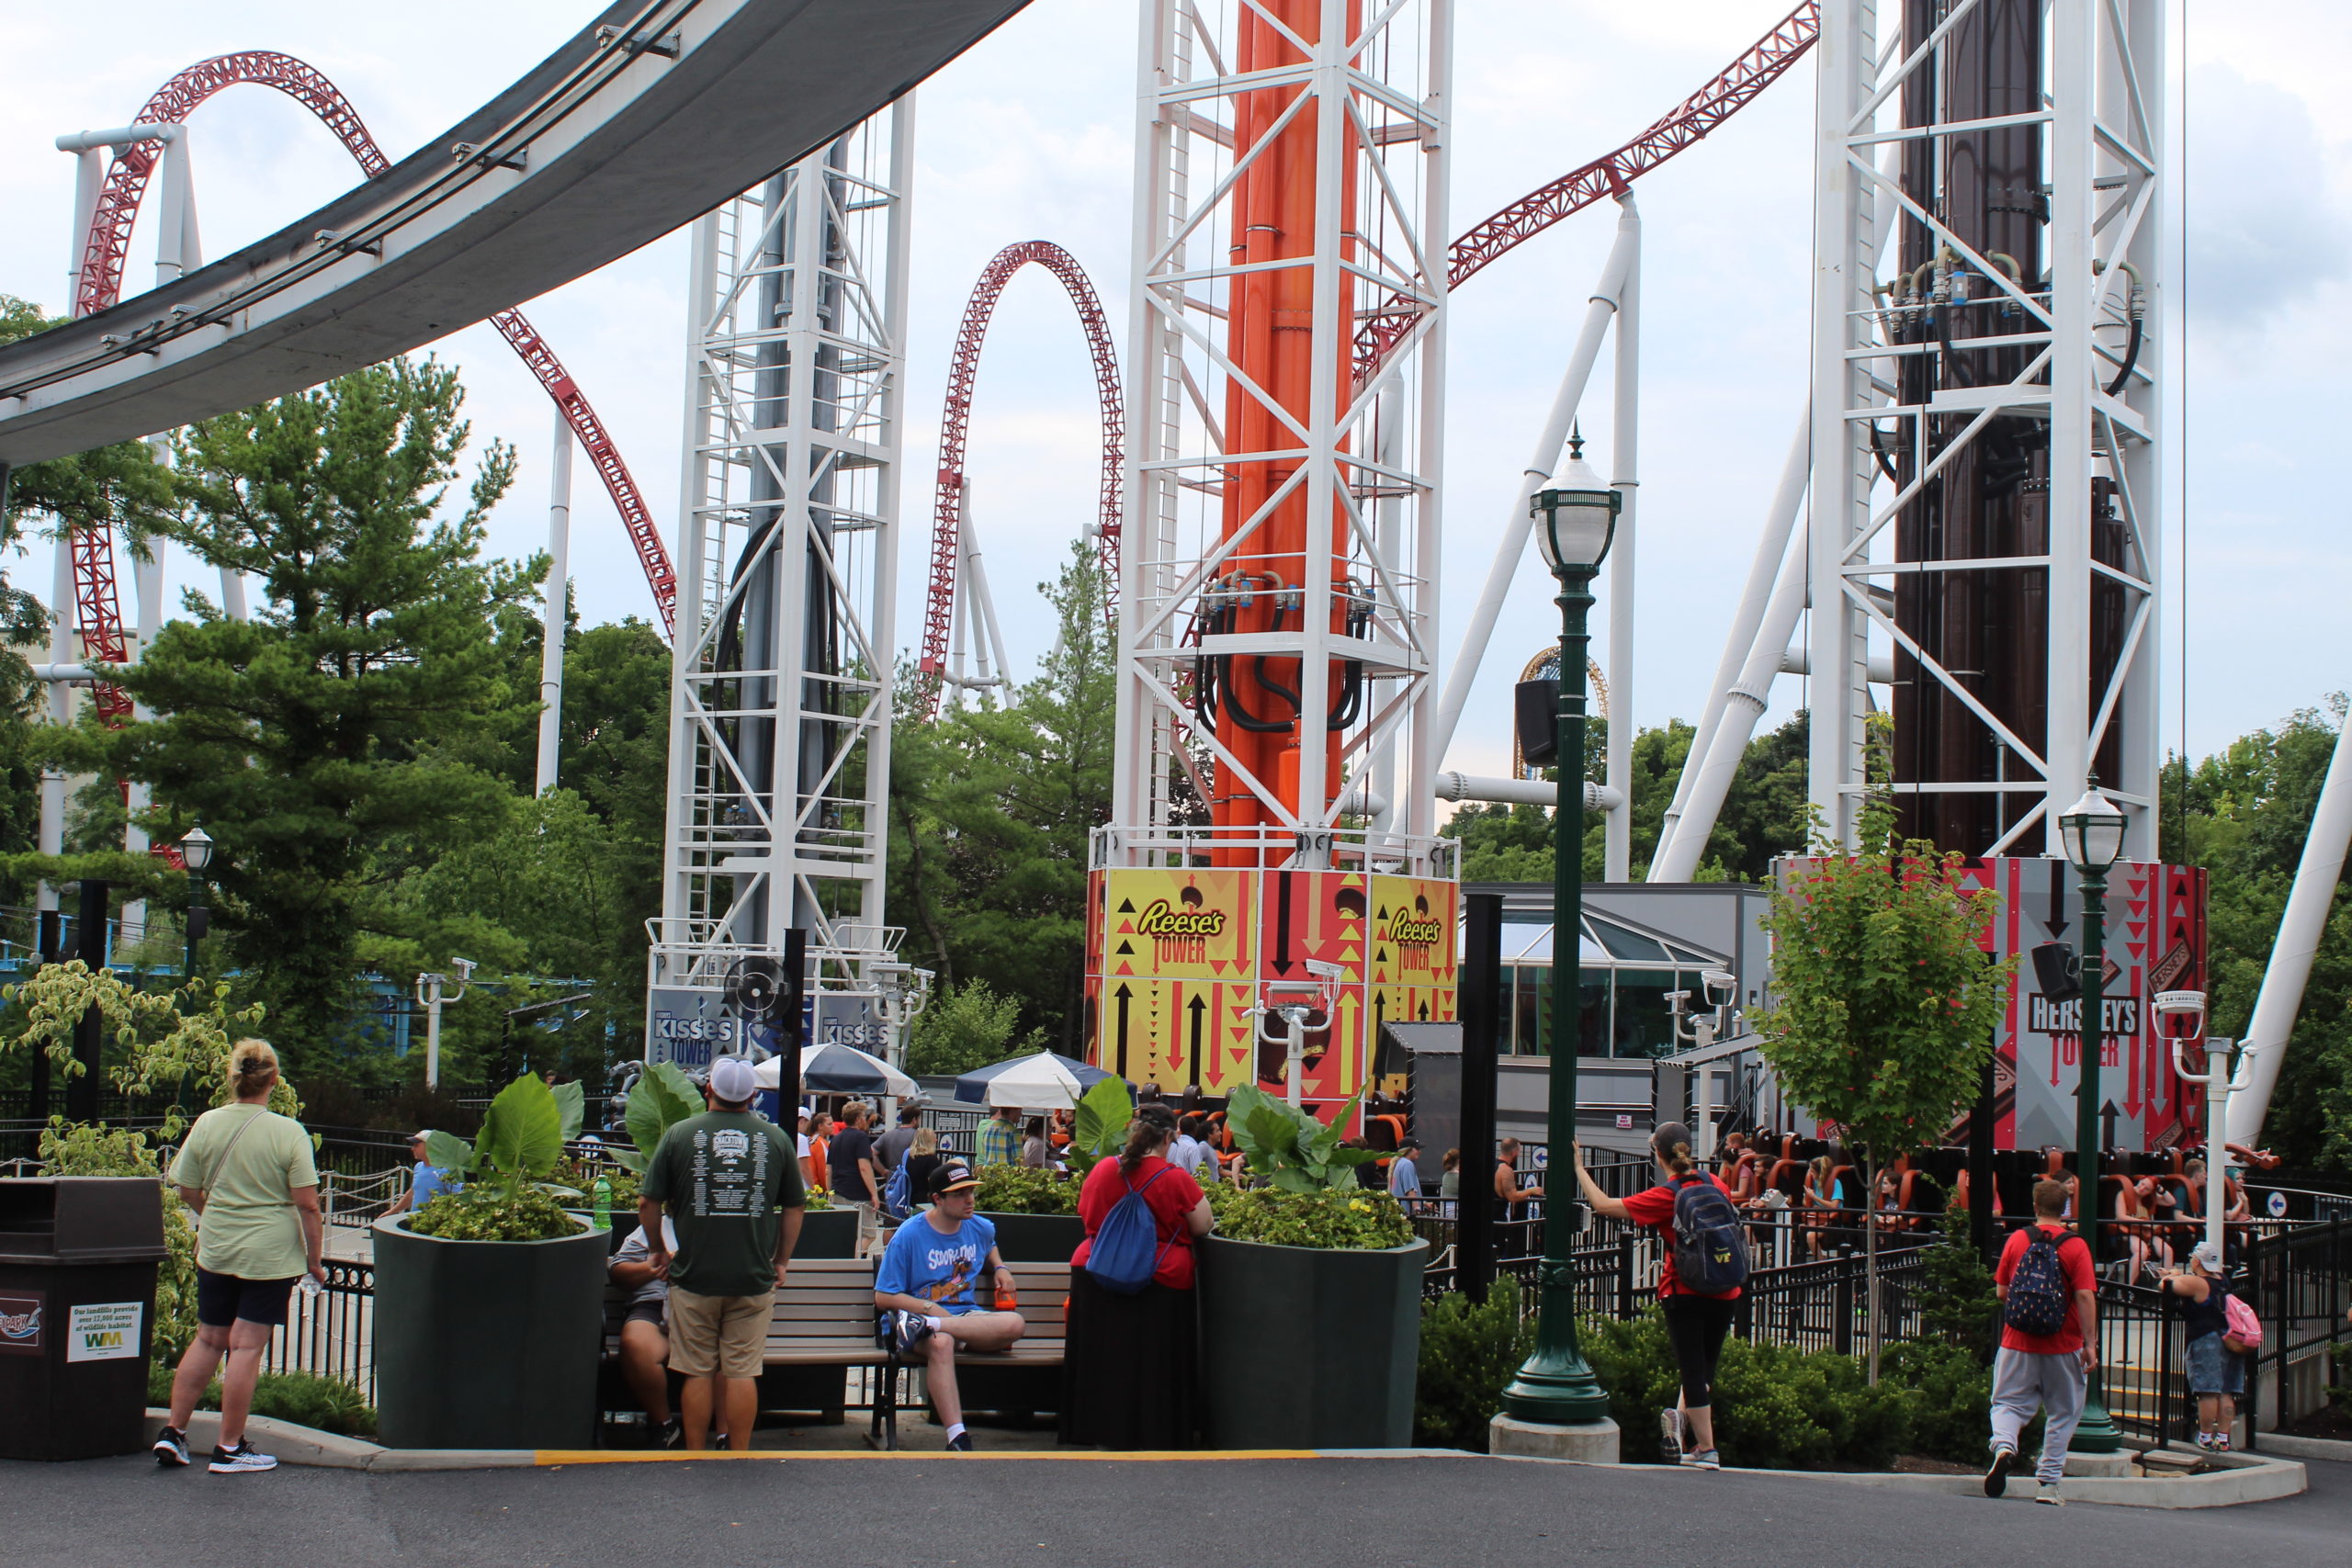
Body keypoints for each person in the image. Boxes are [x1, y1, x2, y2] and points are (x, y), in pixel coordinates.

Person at [154, 1040, 323, 1475]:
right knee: (246, 1347)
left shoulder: (207, 1123)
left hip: (217, 1247)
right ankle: (230, 1446)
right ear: (274, 1080)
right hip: (268, 1254)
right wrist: (315, 1260)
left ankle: (174, 1432)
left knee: (208, 1338)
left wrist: (216, 1217)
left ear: (233, 1079)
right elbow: (307, 1205)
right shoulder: (288, 1132)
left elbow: (187, 1189)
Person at [639, 1055, 805, 1451]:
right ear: (753, 1096)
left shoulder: (680, 1134)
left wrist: (659, 1252)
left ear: (708, 1089)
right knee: (742, 1372)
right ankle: (739, 1453)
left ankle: (695, 1453)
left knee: (696, 1371)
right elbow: (795, 1206)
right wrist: (781, 1261)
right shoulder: (777, 1138)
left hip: (694, 1276)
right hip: (752, 1277)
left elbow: (649, 1203)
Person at [1570, 1123, 1740, 1472]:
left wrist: (1578, 1168)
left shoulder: (1668, 1194)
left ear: (1658, 1155)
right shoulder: (1716, 1183)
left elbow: (1603, 1205)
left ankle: (1707, 1449)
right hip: (1726, 1287)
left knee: (1692, 1368)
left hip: (1683, 1289)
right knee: (1704, 1368)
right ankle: (1679, 1421)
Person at [1061, 1104, 1214, 1448]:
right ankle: (1155, 1432)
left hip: (1096, 1271)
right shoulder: (1176, 1178)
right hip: (1162, 1280)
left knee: (1105, 1361)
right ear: (1169, 1138)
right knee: (1154, 1366)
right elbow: (1203, 1224)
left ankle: (1093, 1429)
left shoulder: (1102, 1170)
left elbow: (1085, 1214)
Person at [874, 1162, 1027, 1451]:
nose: (969, 1200)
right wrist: (930, 1309)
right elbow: (883, 1296)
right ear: (937, 1199)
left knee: (1014, 1324)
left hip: (958, 1319)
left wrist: (1000, 1267)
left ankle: (938, 1328)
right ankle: (957, 1436)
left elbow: (989, 1241)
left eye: (971, 1192)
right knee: (942, 1343)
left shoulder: (977, 1226)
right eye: (959, 1194)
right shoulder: (909, 1234)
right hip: (912, 1319)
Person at [1984, 1178, 2098, 1505]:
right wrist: (2089, 1343)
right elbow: (2085, 1296)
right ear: (2065, 1208)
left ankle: (2005, 1445)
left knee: (2007, 1403)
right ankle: (2048, 1484)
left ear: (2035, 1206)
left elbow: (2002, 1291)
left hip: (2017, 1341)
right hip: (2063, 1344)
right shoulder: (2076, 1246)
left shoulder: (2017, 1240)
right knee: (2063, 1412)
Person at [2159, 1240, 2245, 1450]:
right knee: (2225, 1391)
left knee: (2207, 1391)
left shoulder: (2198, 1283)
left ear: (2196, 1261)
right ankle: (2223, 1438)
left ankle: (2206, 1436)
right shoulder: (2223, 1279)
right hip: (2227, 1337)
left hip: (2205, 1339)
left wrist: (2171, 1275)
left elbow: (2165, 1287)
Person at [608, 1214, 685, 1447]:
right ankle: (664, 1426)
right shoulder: (658, 1225)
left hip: (706, 1310)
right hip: (654, 1305)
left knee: (727, 1349)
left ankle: (724, 1436)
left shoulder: (726, 1224)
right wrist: (658, 1265)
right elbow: (618, 1271)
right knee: (636, 1344)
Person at [830, 1100, 884, 1256]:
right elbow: (864, 1167)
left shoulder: (836, 1139)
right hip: (858, 1193)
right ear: (859, 1118)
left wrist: (829, 1192)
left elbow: (829, 1169)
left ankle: (847, 1259)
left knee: (847, 1233)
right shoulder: (860, 1138)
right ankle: (853, 1260)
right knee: (868, 1234)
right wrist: (874, 1194)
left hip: (838, 1191)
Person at [382, 1130, 462, 1218]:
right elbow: (413, 1192)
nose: (413, 1148)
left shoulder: (447, 1170)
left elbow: (459, 1197)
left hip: (435, 1223)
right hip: (415, 1220)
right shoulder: (418, 1167)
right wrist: (391, 1212)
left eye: (416, 1145)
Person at [875, 1102, 924, 1172]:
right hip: (912, 1178)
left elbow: (872, 1153)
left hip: (893, 1178)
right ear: (914, 1120)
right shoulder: (918, 1135)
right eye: (919, 1119)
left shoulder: (887, 1135)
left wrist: (883, 1171)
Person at [902, 1126, 945, 1205]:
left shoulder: (911, 1157)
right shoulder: (931, 1159)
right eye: (934, 1138)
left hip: (911, 1198)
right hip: (926, 1200)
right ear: (929, 1141)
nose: (936, 1140)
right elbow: (934, 1181)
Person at [978, 1104, 1023, 1168]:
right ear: (1012, 1111)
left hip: (989, 1174)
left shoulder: (988, 1129)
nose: (1021, 1114)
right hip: (1006, 1175)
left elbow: (984, 1153)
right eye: (1019, 1111)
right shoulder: (1013, 1132)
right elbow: (1020, 1160)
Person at [1387, 1138, 1424, 1211]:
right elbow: (1410, 1191)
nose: (1420, 1151)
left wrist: (1424, 1203)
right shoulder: (1407, 1164)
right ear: (1408, 1150)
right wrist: (1417, 1209)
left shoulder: (1399, 1163)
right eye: (1417, 1149)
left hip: (1398, 1211)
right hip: (1406, 1213)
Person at [1437, 1148, 1461, 1217]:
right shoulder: (1458, 1176)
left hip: (1446, 1209)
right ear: (1458, 1161)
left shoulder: (1445, 1175)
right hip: (1455, 1209)